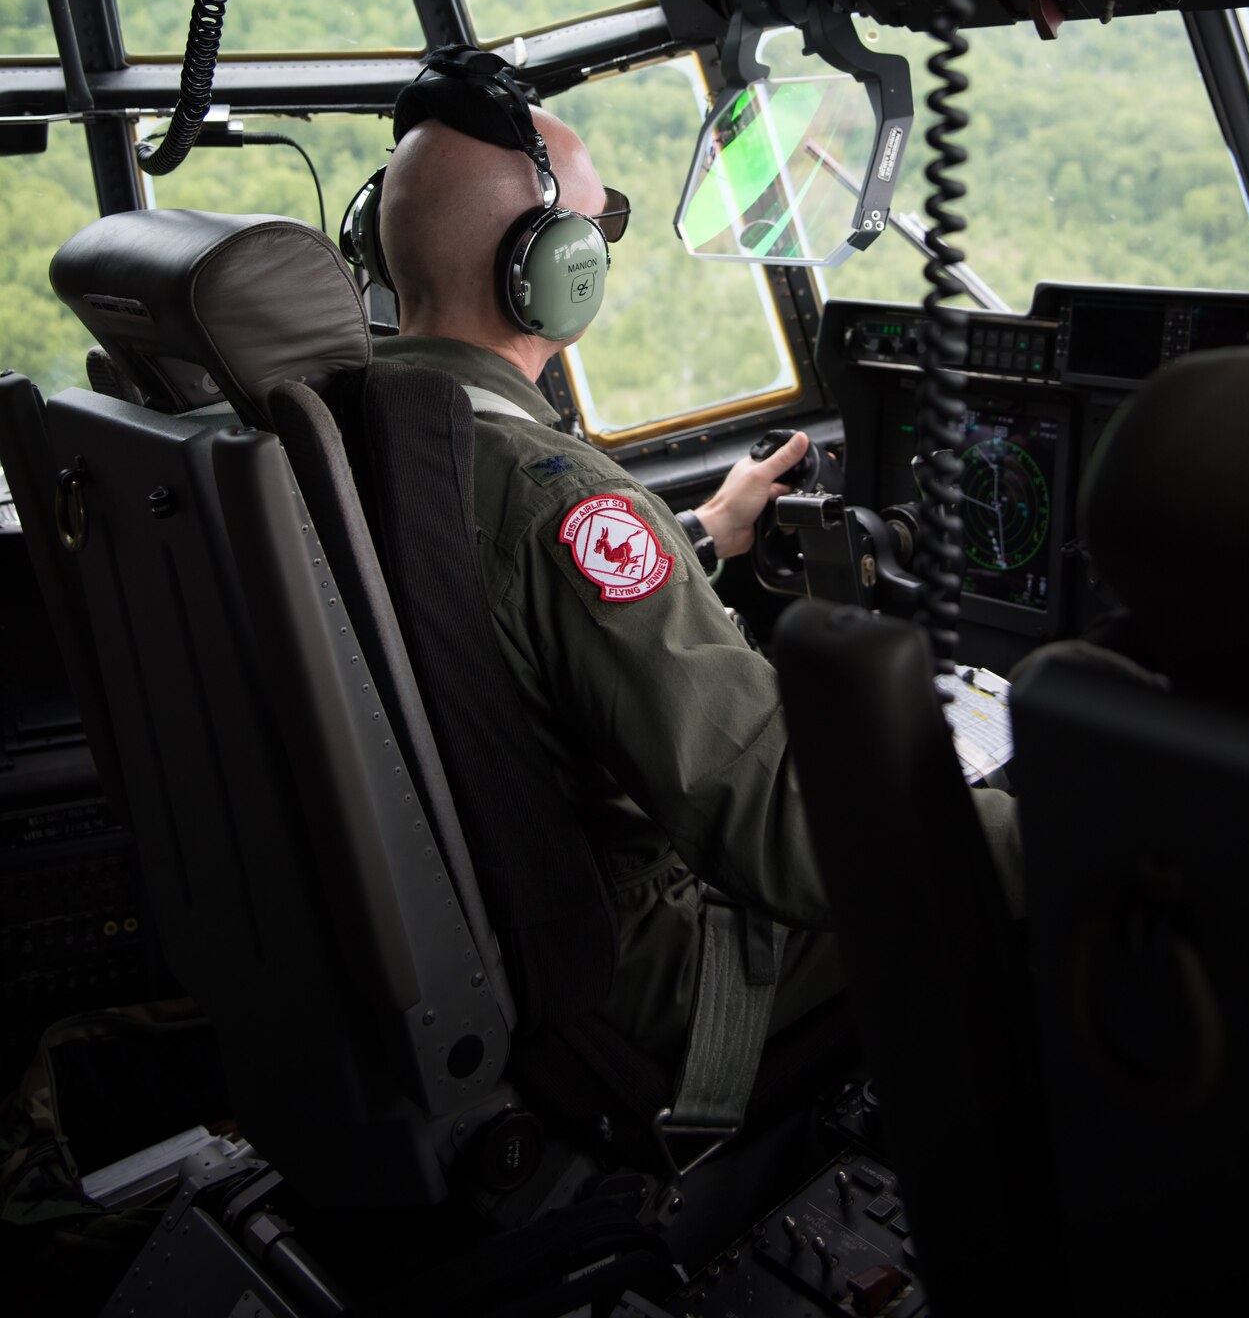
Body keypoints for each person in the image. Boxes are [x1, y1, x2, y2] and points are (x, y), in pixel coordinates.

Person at [374, 94, 1022, 1067]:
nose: (604, 247)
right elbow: (787, 827)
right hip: (650, 965)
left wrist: (695, 537)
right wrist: (1087, 822)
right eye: (599, 224)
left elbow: (495, 591)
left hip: (480, 931)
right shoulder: (558, 497)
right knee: (1020, 865)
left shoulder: (374, 419)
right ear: (548, 264)